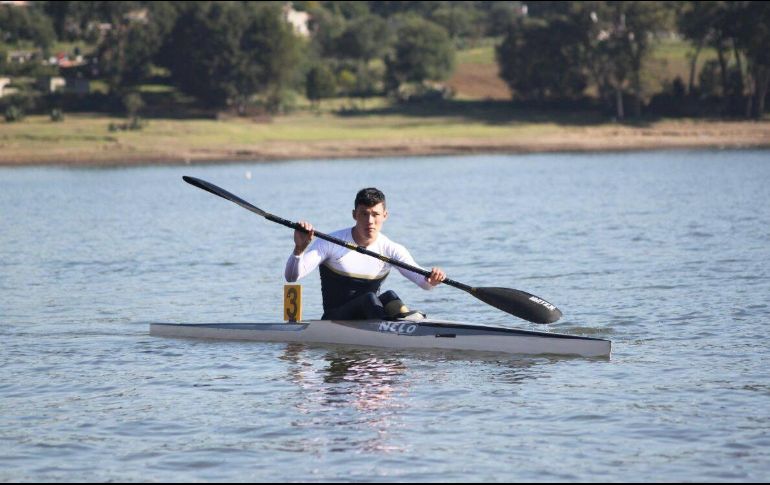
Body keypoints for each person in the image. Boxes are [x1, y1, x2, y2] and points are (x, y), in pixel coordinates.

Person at [285, 187, 445, 321]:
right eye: (364, 214)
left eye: (375, 214)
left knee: (390, 297)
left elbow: (424, 283)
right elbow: (292, 277)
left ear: (385, 216)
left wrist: (433, 279)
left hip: (371, 314)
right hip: (335, 319)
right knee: (369, 298)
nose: (370, 220)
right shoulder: (330, 242)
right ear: (354, 215)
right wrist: (299, 249)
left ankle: (411, 326)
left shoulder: (391, 249)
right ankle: (391, 331)